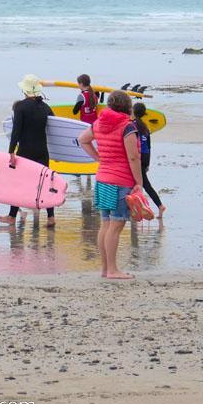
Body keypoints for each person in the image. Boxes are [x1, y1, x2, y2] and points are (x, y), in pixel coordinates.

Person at [78, 90, 145, 280]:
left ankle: (106, 269)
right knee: (116, 225)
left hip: (102, 179)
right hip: (120, 180)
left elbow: (83, 140)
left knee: (105, 225)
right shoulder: (127, 127)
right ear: (127, 106)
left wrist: (100, 158)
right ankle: (113, 270)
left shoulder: (98, 123)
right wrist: (139, 182)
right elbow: (133, 157)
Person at [0, 74, 54, 226]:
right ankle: (51, 217)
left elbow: (16, 130)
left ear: (24, 90)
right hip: (42, 150)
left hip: (26, 151)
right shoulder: (45, 107)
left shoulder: (21, 107)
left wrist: (11, 151)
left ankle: (11, 216)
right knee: (44, 182)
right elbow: (55, 127)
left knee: (18, 183)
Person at [131, 101, 164, 216]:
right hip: (145, 157)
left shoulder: (132, 125)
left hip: (138, 156)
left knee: (143, 184)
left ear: (133, 112)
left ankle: (159, 205)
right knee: (138, 182)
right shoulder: (145, 127)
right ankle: (135, 208)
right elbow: (149, 146)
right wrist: (148, 164)